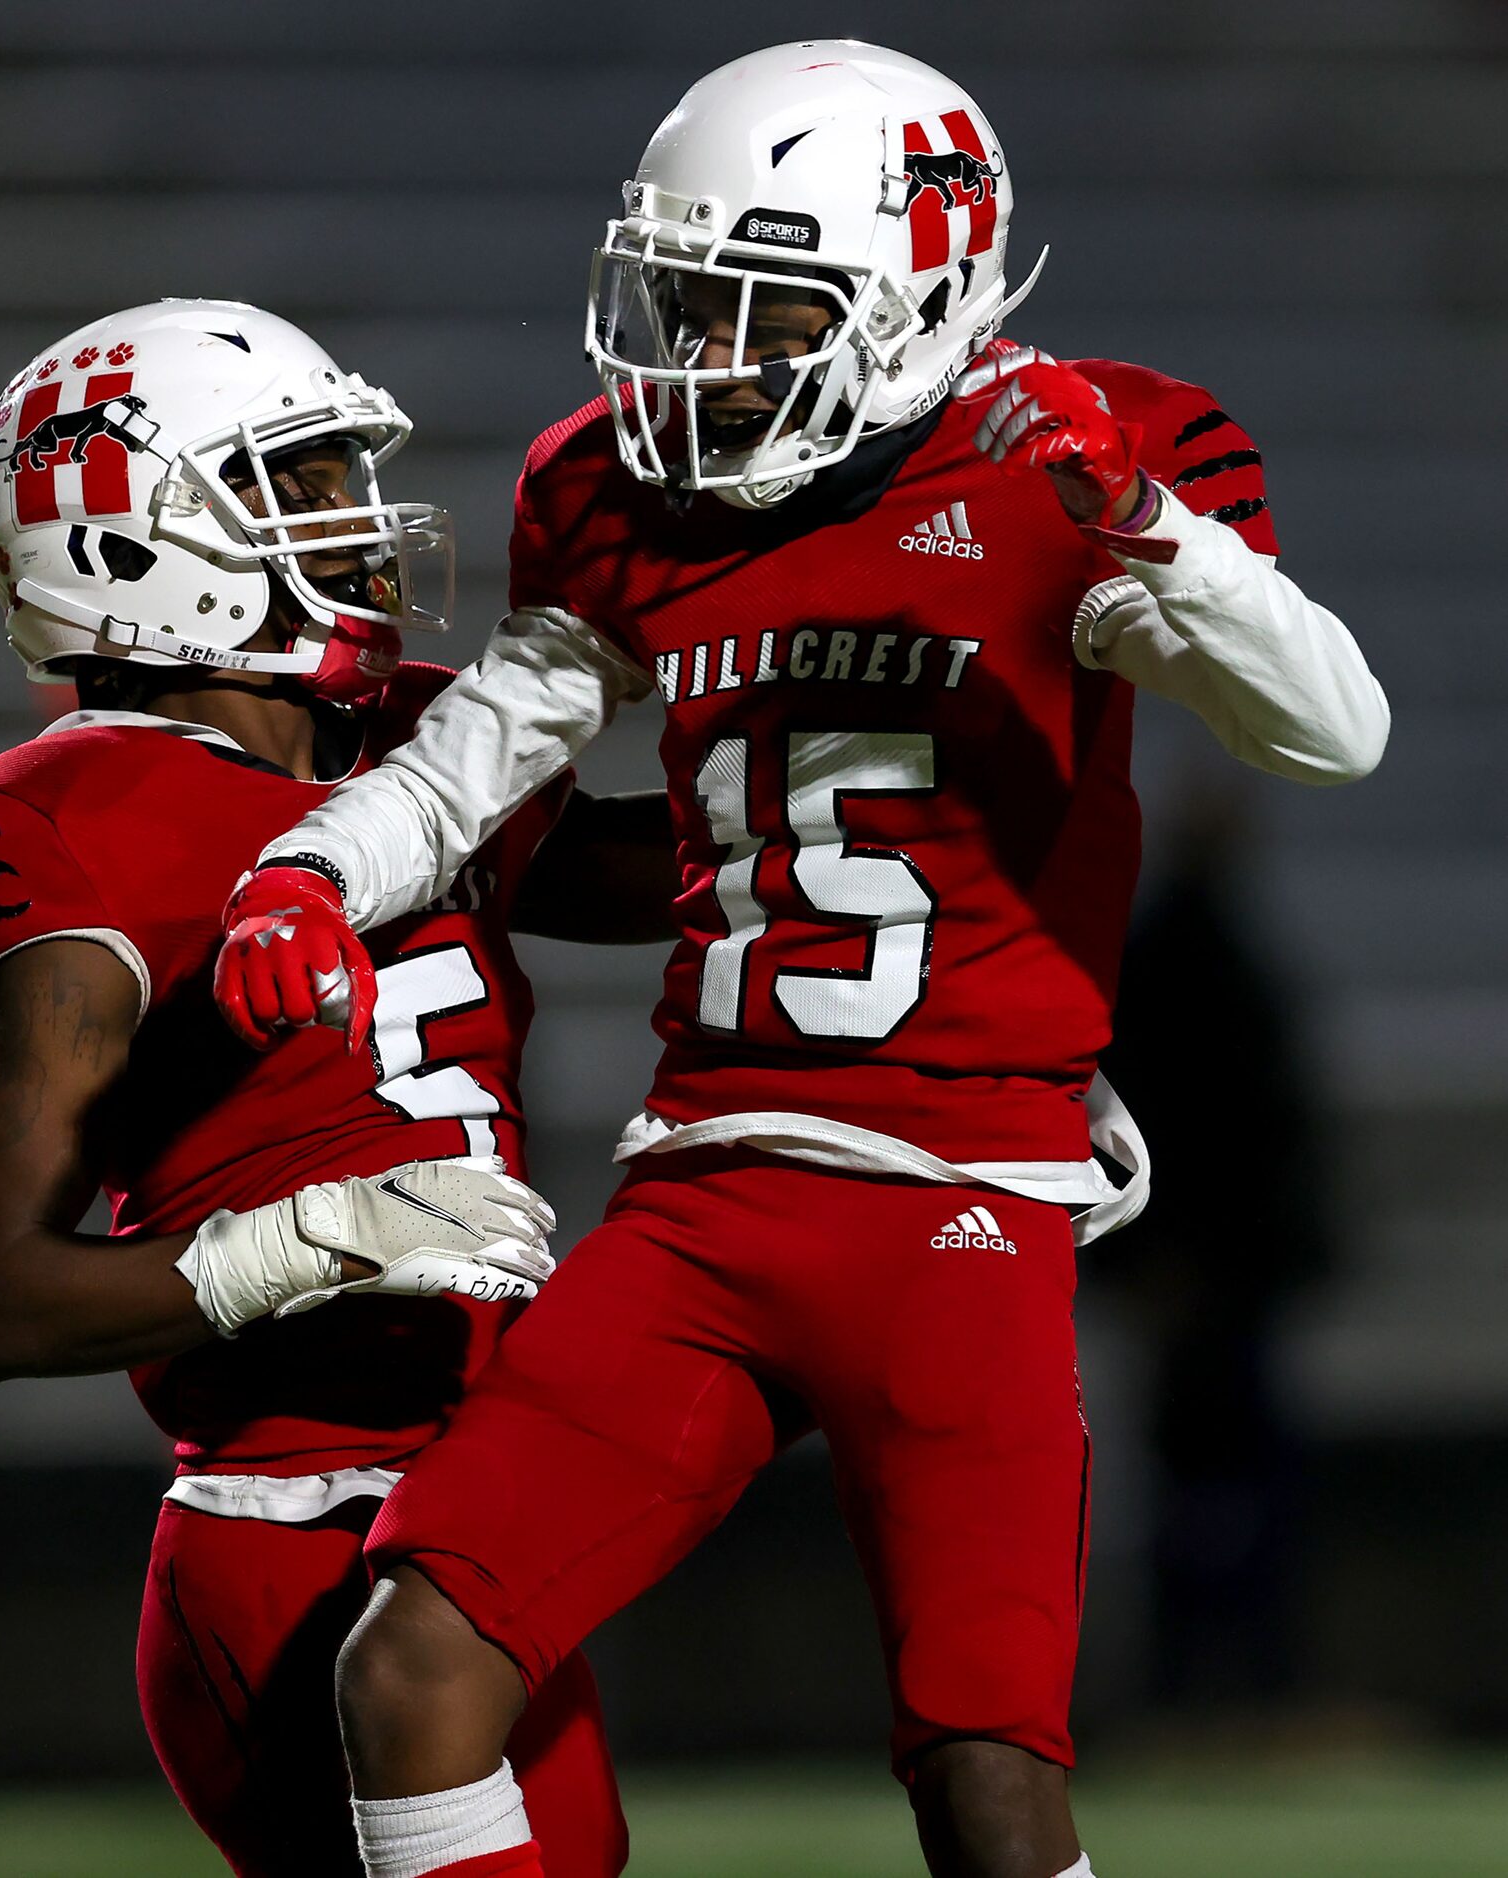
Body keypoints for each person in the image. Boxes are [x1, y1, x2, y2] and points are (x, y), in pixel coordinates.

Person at [212, 43, 1390, 1878]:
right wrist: (306, 873)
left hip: (959, 1204)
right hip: (702, 1194)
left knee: (986, 1785)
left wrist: (1148, 531)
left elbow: (1334, 728)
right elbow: (480, 753)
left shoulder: (1061, 459)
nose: (699, 355)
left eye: (756, 310)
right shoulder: (620, 495)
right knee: (411, 1663)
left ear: (919, 292)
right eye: (683, 299)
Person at [0, 298, 674, 1878]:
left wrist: (832, 707)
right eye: (301, 480)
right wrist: (323, 1233)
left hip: (475, 1517)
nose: (356, 520)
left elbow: (679, 871)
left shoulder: (401, 740)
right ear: (134, 548)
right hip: (289, 1536)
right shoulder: (81, 812)